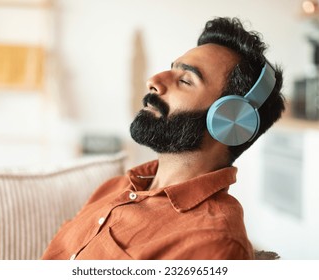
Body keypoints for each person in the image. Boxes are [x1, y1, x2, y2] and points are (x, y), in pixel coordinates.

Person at [42, 17, 285, 260]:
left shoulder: (212, 243)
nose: (154, 81)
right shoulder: (115, 187)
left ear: (230, 120)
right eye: (172, 68)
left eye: (185, 80)